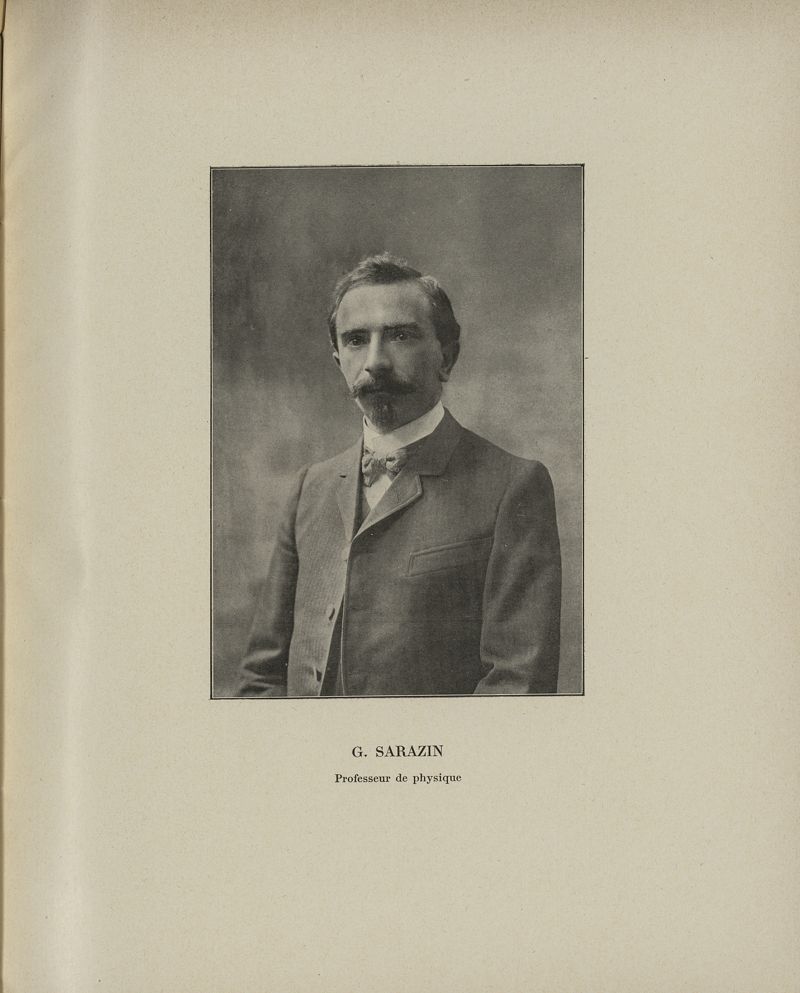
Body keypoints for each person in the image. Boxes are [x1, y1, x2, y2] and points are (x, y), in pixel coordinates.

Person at [236, 253, 561, 696]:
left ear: (447, 357)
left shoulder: (513, 486)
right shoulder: (310, 487)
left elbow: (518, 688)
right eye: (355, 340)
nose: (375, 362)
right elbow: (259, 679)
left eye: (401, 336)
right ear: (338, 360)